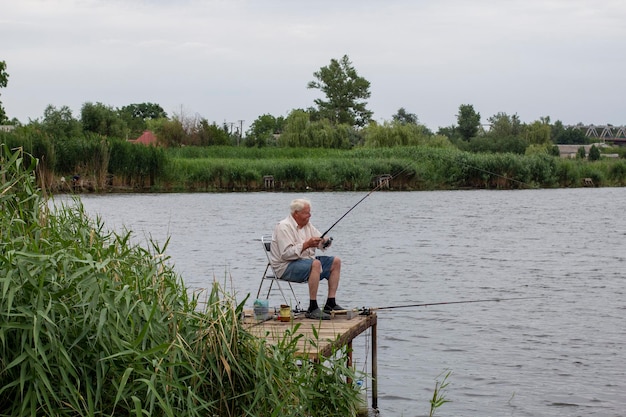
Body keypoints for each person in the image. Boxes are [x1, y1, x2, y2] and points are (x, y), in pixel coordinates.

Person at [270, 198, 343, 320]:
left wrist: (325, 241)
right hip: (285, 267)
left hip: (307, 262)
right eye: (306, 213)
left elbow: (320, 244)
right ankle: (312, 308)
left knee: (336, 261)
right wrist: (306, 244)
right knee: (315, 264)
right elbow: (286, 254)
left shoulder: (308, 226)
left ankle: (330, 303)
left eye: (310, 212)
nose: (310, 215)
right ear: (296, 213)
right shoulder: (283, 227)